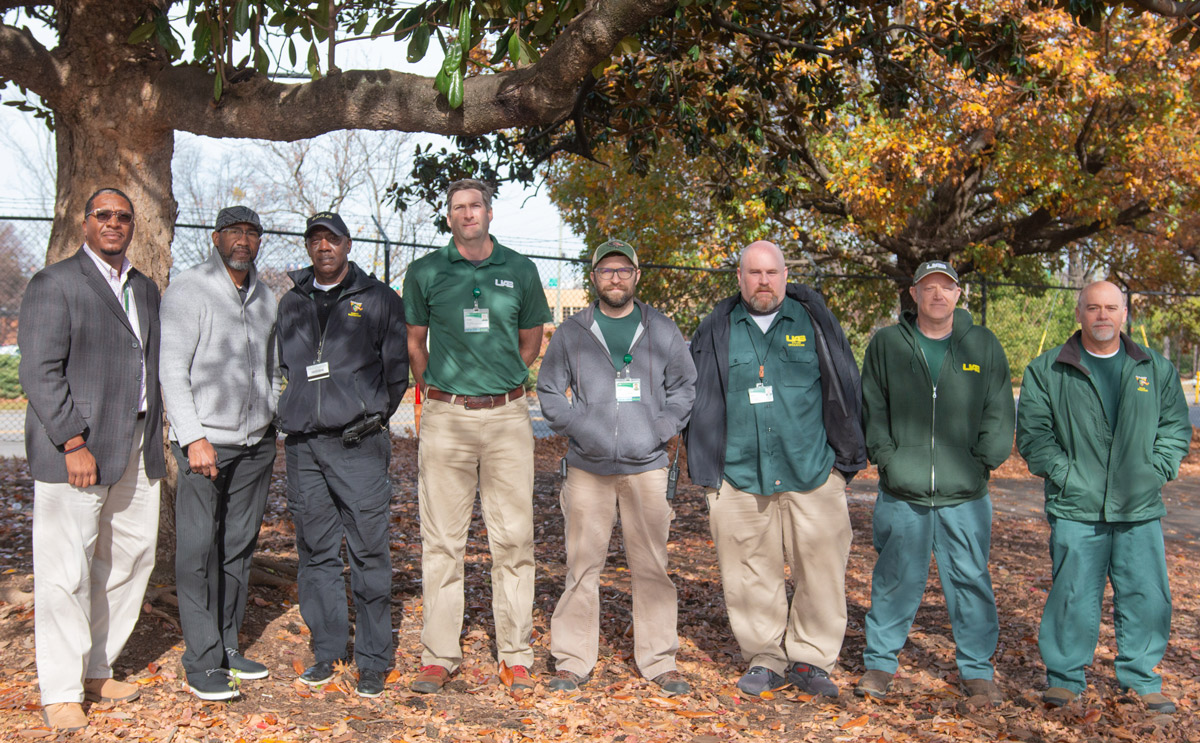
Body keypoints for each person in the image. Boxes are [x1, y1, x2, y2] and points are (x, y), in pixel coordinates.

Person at [685, 240, 866, 698]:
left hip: (812, 471)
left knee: (820, 571)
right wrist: (707, 468)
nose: (763, 281)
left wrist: (842, 463)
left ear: (786, 276)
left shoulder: (815, 322)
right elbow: (696, 398)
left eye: (771, 272)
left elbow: (846, 386)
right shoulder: (717, 328)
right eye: (754, 272)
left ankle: (811, 659)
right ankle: (765, 657)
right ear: (739, 278)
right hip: (739, 475)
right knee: (749, 573)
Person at [19, 188, 165, 732]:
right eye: (103, 215)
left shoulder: (144, 287)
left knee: (131, 558)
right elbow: (39, 370)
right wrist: (71, 442)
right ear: (84, 223)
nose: (113, 223)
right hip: (77, 448)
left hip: (137, 442)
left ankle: (96, 668)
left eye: (123, 217)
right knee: (66, 570)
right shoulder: (54, 283)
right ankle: (61, 689)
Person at [403, 179, 553, 694]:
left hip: (508, 417)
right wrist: (438, 392)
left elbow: (531, 341)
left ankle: (515, 654)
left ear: (490, 213)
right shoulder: (425, 272)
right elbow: (415, 342)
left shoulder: (520, 270)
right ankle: (439, 655)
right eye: (458, 207)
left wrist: (501, 380)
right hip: (446, 418)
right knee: (442, 541)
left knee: (514, 539)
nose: (467, 214)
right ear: (449, 218)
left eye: (475, 206)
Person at [1016, 280, 1191, 713]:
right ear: (1079, 313)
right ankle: (1064, 679)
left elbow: (1174, 428)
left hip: (1139, 506)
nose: (1102, 315)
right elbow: (1034, 435)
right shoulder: (1048, 369)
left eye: (1111, 308)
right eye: (1093, 307)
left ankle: (1141, 678)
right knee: (1072, 594)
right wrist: (1067, 476)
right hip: (1076, 507)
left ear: (1124, 314)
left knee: (1146, 594)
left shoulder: (1154, 368)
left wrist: (1156, 471)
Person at [537, 239, 697, 695]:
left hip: (647, 467)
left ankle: (659, 660)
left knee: (652, 567)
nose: (615, 277)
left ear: (637, 276)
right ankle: (573, 660)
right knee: (582, 566)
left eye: (624, 270)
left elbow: (685, 386)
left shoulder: (661, 329)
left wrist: (659, 429)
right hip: (587, 468)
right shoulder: (573, 331)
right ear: (594, 278)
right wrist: (580, 427)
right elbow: (549, 390)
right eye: (606, 270)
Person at [857, 260, 1015, 704]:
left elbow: (999, 410)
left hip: (965, 495)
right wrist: (888, 460)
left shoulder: (982, 345)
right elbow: (872, 407)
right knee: (894, 579)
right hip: (901, 492)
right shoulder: (888, 344)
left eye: (947, 287)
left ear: (959, 294)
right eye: (929, 287)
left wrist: (981, 463)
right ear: (914, 293)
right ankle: (880, 665)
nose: (938, 294)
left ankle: (977, 670)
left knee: (970, 581)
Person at [276, 211, 408, 698]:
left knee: (368, 551)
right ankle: (328, 652)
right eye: (315, 240)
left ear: (348, 244)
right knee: (316, 552)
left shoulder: (378, 299)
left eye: (332, 239)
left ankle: (373, 659)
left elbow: (396, 373)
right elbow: (286, 367)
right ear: (308, 247)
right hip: (304, 446)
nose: (324, 247)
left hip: (358, 445)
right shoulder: (291, 301)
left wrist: (370, 415)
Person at [160, 206, 280, 700]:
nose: (243, 239)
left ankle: (228, 646)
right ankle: (202, 660)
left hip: (255, 446)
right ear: (216, 238)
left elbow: (271, 366)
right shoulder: (189, 289)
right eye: (233, 231)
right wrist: (193, 437)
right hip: (204, 446)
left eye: (251, 232)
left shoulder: (266, 296)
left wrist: (271, 415)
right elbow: (171, 369)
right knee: (196, 552)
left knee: (238, 549)